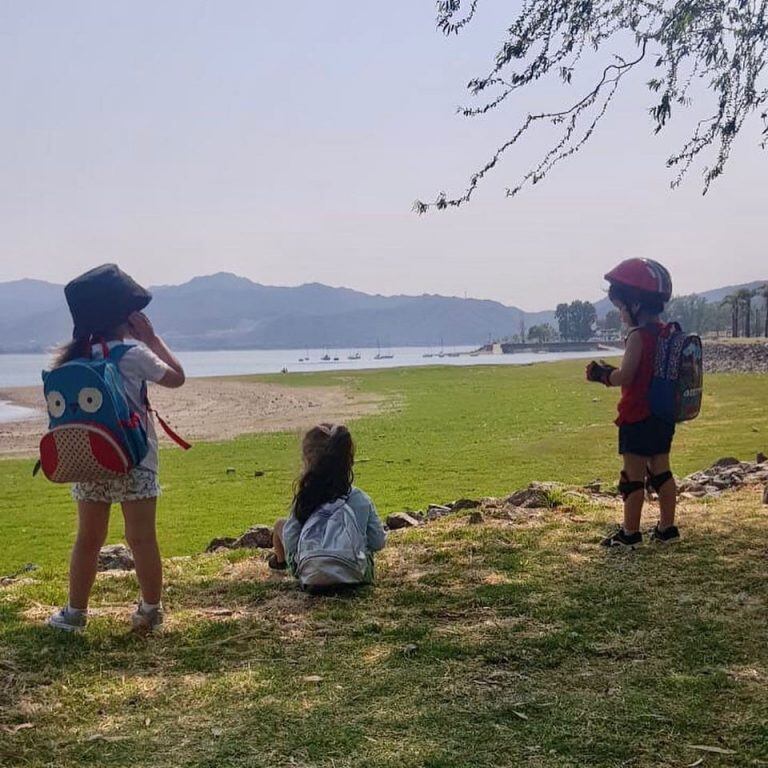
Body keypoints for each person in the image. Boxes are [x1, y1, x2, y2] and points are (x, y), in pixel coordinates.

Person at [47, 264, 186, 632]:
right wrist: (153, 340)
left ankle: (75, 614)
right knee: (141, 537)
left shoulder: (76, 357)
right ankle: (150, 610)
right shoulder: (132, 354)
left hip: (90, 459)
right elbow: (177, 378)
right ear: (126, 316)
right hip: (136, 459)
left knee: (88, 538)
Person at [586, 258, 680, 549]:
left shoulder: (638, 336)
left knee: (632, 477)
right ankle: (667, 528)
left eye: (620, 307)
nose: (620, 314)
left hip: (636, 415)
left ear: (635, 304)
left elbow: (626, 376)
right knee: (662, 471)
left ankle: (630, 534)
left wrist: (602, 375)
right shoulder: (665, 333)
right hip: (662, 415)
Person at [269, 423, 386, 585]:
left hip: (310, 573)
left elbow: (292, 541)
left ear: (307, 461)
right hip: (356, 574)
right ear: (349, 461)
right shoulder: (360, 499)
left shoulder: (305, 499)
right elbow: (378, 542)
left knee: (280, 525)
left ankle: (280, 563)